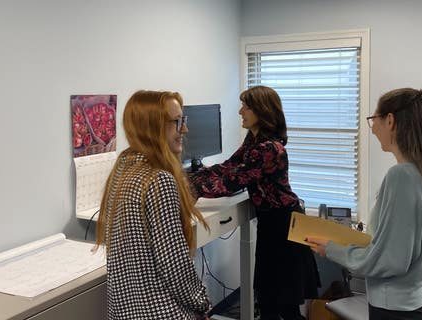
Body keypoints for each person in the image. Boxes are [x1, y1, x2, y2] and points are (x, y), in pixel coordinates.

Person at [307, 88, 422, 320]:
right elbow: (398, 245)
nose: (372, 129)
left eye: (374, 120)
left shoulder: (401, 177)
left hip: (392, 307)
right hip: (412, 302)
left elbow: (389, 260)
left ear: (390, 120)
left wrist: (331, 249)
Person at [190, 86, 320, 320]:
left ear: (261, 111)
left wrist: (191, 188)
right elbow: (229, 166)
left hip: (284, 227)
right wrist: (190, 179)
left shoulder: (268, 149)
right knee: (271, 297)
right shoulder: (255, 141)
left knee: (281, 303)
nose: (241, 111)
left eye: (246, 106)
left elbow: (231, 182)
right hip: (273, 223)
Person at [95, 90, 211, 319]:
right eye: (176, 122)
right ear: (152, 127)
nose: (184, 129)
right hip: (164, 312)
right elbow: (175, 266)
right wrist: (203, 303)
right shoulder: (159, 180)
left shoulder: (122, 170)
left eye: (183, 120)